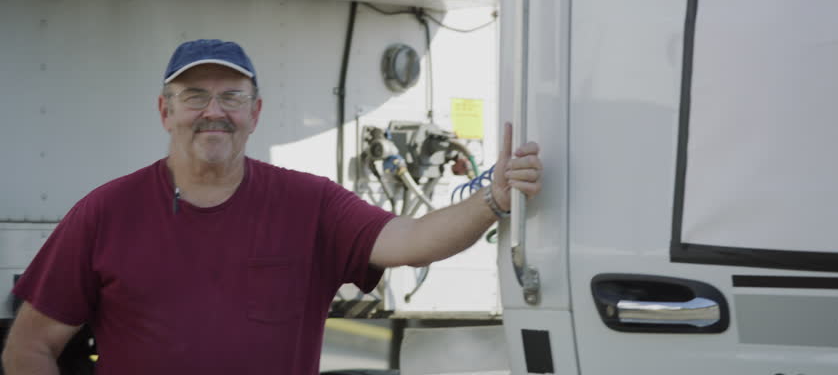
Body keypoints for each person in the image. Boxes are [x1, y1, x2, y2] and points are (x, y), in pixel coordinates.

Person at [1, 39, 542, 375]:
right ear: (165, 112)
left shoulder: (311, 204)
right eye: (194, 96)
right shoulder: (105, 212)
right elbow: (28, 350)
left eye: (231, 97)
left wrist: (492, 200)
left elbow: (412, 240)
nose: (213, 112)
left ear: (255, 113)